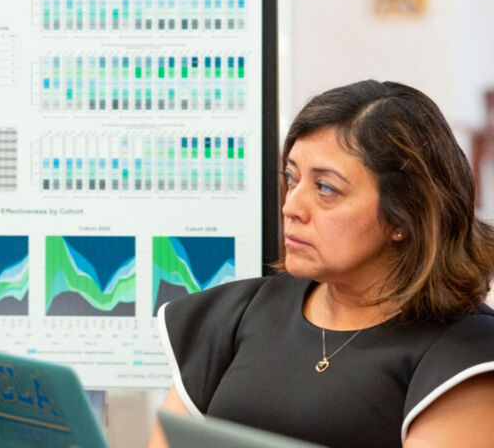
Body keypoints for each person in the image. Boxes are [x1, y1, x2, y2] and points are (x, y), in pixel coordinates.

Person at [150, 80, 494, 448]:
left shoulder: (464, 355)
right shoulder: (236, 313)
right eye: (291, 179)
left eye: (326, 188)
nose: (291, 207)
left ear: (403, 216)